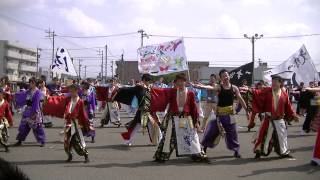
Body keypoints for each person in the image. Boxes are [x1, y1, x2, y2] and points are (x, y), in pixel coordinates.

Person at [193, 69, 248, 159]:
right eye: (223, 76)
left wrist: (247, 110)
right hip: (220, 115)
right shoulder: (219, 87)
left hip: (230, 115)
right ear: (221, 78)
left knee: (232, 133)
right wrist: (201, 86)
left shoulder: (234, 88)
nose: (225, 77)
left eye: (226, 75)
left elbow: (240, 99)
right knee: (212, 131)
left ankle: (236, 150)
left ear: (229, 76)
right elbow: (211, 88)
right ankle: (205, 147)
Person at [152, 73, 207, 163]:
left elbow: (193, 109)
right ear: (176, 82)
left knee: (192, 137)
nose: (180, 83)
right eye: (178, 81)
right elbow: (161, 92)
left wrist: (196, 121)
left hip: (186, 118)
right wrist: (149, 89)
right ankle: (161, 156)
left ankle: (197, 155)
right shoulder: (172, 92)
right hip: (174, 118)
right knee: (168, 138)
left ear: (185, 82)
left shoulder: (190, 93)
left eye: (182, 81)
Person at [250, 75, 298, 159]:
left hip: (280, 120)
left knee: (282, 137)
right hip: (268, 119)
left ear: (280, 83)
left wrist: (293, 115)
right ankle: (259, 151)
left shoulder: (284, 94)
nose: (273, 83)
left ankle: (284, 152)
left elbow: (288, 106)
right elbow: (257, 94)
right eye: (273, 81)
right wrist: (250, 91)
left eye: (276, 81)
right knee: (263, 136)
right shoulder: (267, 91)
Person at [113, 74, 162, 146]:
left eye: (148, 80)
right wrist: (119, 88)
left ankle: (158, 140)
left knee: (153, 125)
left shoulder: (150, 88)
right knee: (135, 126)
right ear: (143, 80)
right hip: (141, 111)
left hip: (149, 111)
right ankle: (127, 140)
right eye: (147, 80)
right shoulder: (139, 87)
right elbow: (129, 89)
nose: (148, 82)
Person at [15, 77, 46, 147]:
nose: (30, 84)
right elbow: (22, 96)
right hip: (27, 110)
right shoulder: (28, 91)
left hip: (35, 111)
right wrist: (15, 95)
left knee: (37, 127)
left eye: (31, 82)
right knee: (23, 126)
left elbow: (36, 103)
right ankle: (19, 140)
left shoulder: (38, 92)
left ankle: (42, 141)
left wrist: (33, 113)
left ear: (34, 83)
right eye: (30, 82)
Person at [63, 84, 90, 163]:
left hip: (76, 124)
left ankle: (86, 156)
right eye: (70, 91)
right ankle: (70, 156)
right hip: (68, 123)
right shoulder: (68, 99)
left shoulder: (80, 101)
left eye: (72, 91)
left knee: (78, 141)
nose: (71, 93)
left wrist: (86, 124)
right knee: (67, 141)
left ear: (76, 91)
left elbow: (83, 114)